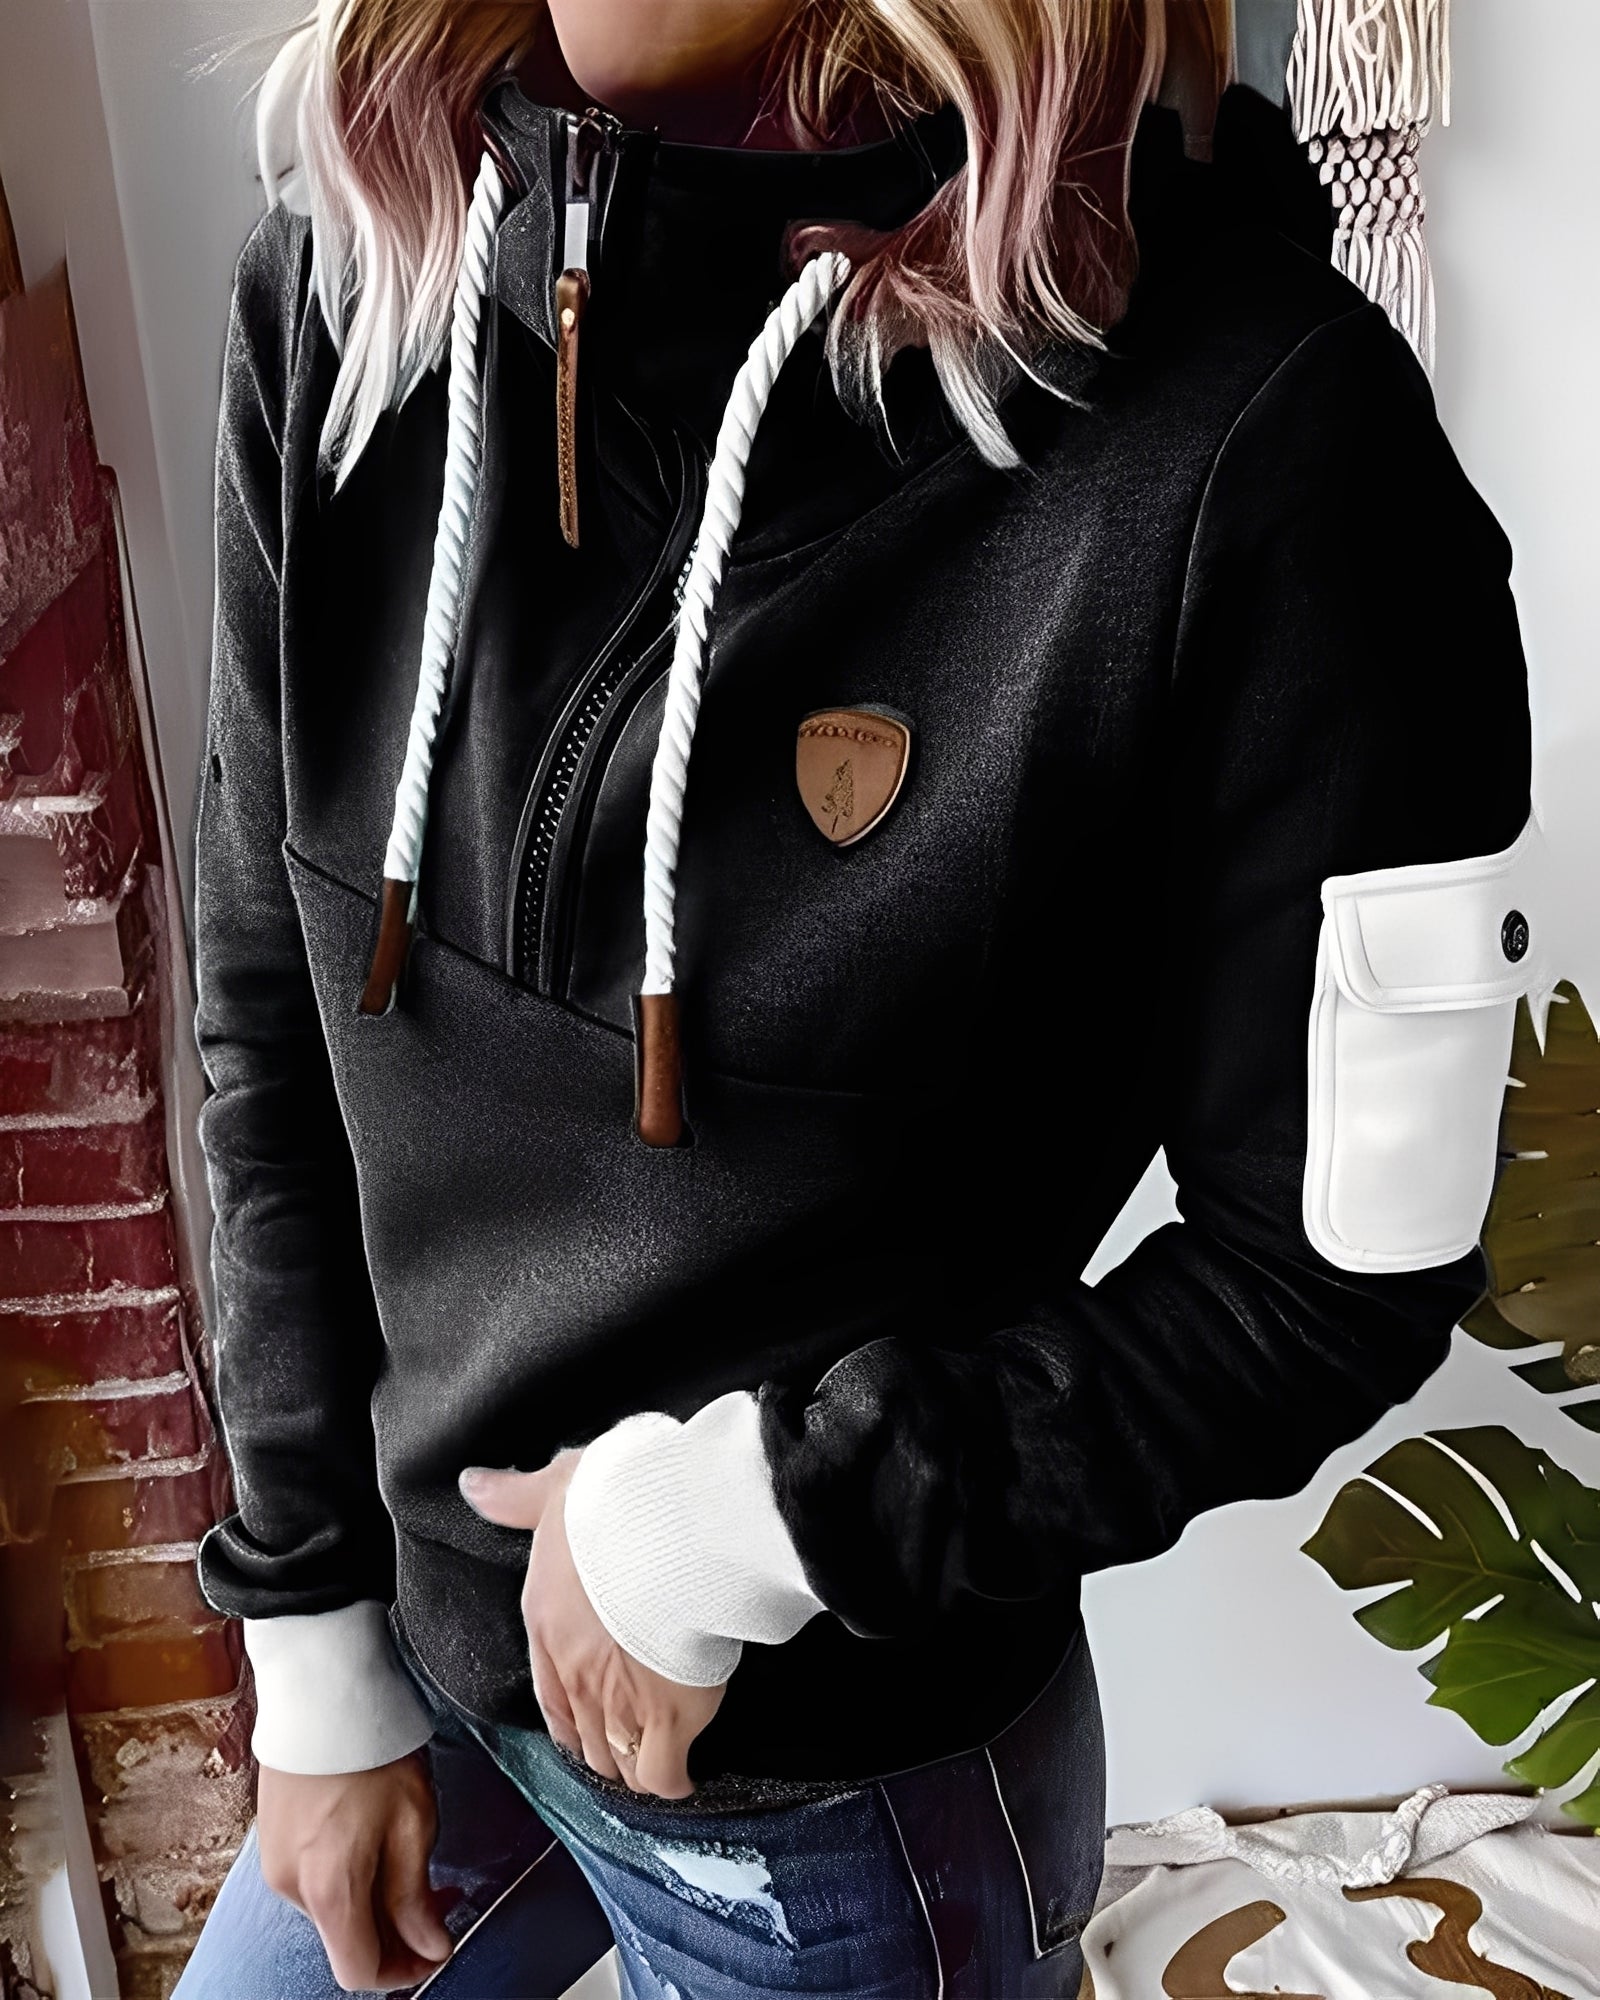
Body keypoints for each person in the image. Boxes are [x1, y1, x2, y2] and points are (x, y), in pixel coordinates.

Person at [174, 0, 1543, 1993]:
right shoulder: (342, 292)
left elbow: (1331, 1272)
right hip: (416, 1664)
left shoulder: (1266, 437)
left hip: (838, 1823)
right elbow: (266, 1001)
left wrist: (745, 1524)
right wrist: (310, 1644)